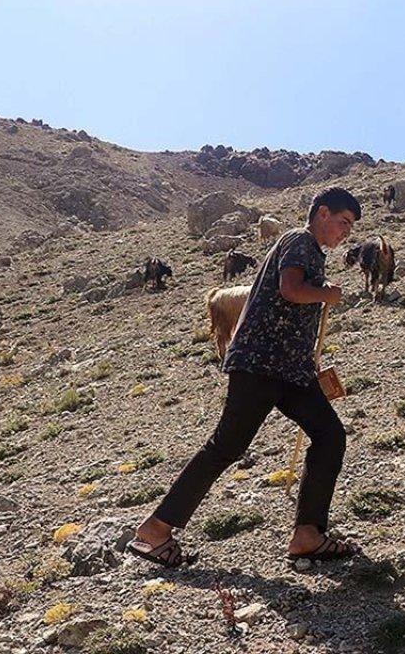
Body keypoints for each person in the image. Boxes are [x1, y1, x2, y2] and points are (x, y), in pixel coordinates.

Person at [128, 187, 362, 566]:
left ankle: (308, 534)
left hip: (289, 370)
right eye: (343, 222)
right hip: (261, 364)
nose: (346, 232)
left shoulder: (308, 250)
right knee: (227, 445)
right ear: (321, 213)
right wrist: (325, 294)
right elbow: (290, 290)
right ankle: (154, 531)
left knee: (330, 436)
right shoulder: (300, 241)